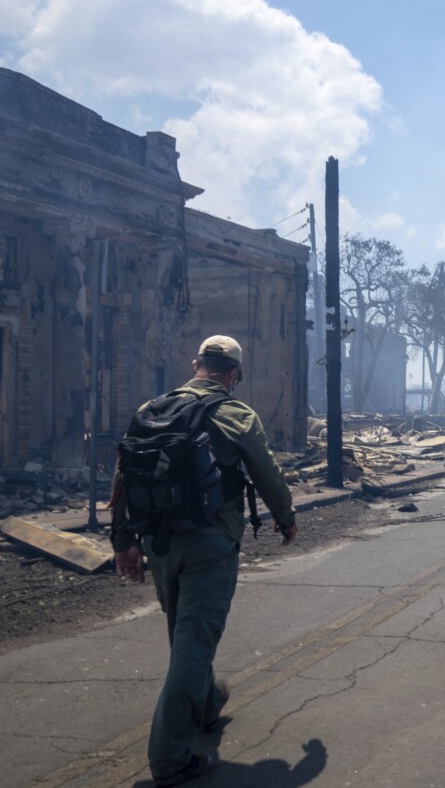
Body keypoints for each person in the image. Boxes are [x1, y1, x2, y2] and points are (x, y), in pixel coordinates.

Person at [111, 335, 297, 786]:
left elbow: (123, 473)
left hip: (158, 544)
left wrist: (123, 541)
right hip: (210, 545)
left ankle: (209, 702)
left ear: (196, 364)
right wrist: (285, 518)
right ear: (234, 373)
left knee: (185, 633)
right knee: (194, 642)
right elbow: (266, 473)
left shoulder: (151, 410)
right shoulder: (236, 414)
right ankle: (170, 759)